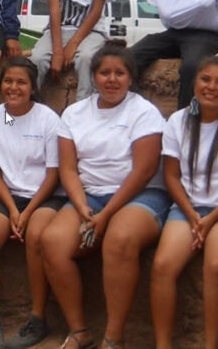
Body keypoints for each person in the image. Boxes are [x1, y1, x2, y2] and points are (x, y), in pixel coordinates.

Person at [40, 43, 168, 349]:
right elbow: (68, 169)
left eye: (119, 73)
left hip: (140, 195)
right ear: (94, 76)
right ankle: (79, 331)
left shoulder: (143, 112)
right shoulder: (74, 113)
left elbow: (144, 171)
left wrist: (106, 215)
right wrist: (82, 206)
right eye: (105, 73)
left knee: (119, 240)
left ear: (131, 78)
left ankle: (113, 339)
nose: (112, 79)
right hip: (91, 196)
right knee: (52, 241)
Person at [149, 57, 218, 349]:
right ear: (194, 83)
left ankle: (211, 345)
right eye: (205, 79)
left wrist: (210, 220)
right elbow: (171, 176)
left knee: (216, 264)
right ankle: (163, 345)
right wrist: (191, 215)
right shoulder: (178, 121)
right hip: (188, 209)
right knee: (162, 265)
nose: (211, 87)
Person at [0, 57, 63, 349]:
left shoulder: (47, 119)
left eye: (21, 82)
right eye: (8, 81)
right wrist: (13, 210)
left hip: (44, 196)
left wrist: (28, 212)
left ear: (32, 87)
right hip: (8, 196)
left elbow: (53, 174)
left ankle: (37, 319)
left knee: (36, 235)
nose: (14, 87)